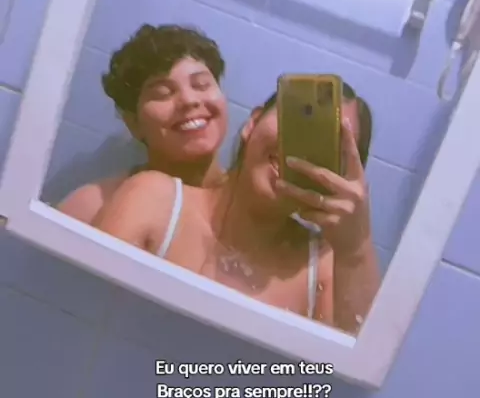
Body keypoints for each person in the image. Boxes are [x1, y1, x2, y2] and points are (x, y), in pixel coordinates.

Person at [92, 81, 380, 335]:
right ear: (252, 123)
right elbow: (86, 307)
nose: (300, 149)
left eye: (328, 145)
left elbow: (348, 372)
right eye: (297, 121)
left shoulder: (327, 268)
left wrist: (356, 249)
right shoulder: (155, 200)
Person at [57, 24, 229, 224]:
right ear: (133, 122)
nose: (189, 100)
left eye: (201, 84)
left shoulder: (251, 205)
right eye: (163, 93)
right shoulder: (91, 208)